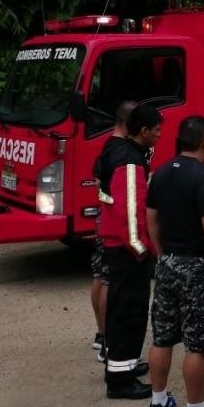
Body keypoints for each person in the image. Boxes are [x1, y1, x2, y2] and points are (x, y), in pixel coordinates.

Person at [146, 116, 204, 407]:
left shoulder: (161, 173)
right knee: (196, 344)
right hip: (196, 266)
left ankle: (158, 401)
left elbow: (151, 217)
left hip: (167, 264)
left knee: (162, 337)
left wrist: (161, 252)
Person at [98, 103, 163, 399]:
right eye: (157, 130)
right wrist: (143, 250)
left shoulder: (119, 150)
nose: (160, 135)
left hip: (117, 246)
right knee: (129, 313)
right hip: (127, 252)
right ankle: (120, 382)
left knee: (123, 313)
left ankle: (122, 368)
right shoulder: (129, 161)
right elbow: (131, 214)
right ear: (144, 131)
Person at [91, 99, 137, 362]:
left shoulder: (107, 145)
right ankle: (109, 339)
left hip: (103, 219)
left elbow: (99, 181)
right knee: (109, 280)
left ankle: (101, 335)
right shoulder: (122, 150)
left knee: (100, 275)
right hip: (114, 224)